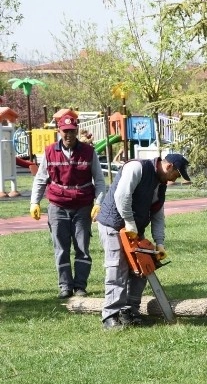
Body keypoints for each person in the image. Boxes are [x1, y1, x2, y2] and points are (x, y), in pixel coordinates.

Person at [95, 152, 191, 330]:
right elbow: (122, 196)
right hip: (113, 222)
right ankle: (110, 315)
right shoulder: (137, 168)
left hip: (133, 227)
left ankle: (130, 312)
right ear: (169, 166)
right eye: (176, 175)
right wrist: (130, 223)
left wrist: (159, 243)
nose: (175, 179)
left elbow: (158, 214)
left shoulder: (160, 184)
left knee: (142, 266)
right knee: (117, 268)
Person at [29, 112, 107, 299]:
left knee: (82, 247)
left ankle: (80, 286)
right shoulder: (49, 152)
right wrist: (34, 202)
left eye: (72, 131)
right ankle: (65, 286)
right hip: (57, 205)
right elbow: (40, 180)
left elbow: (99, 180)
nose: (69, 135)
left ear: (76, 130)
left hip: (82, 206)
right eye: (65, 132)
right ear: (59, 131)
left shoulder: (88, 152)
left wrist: (99, 202)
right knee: (61, 248)